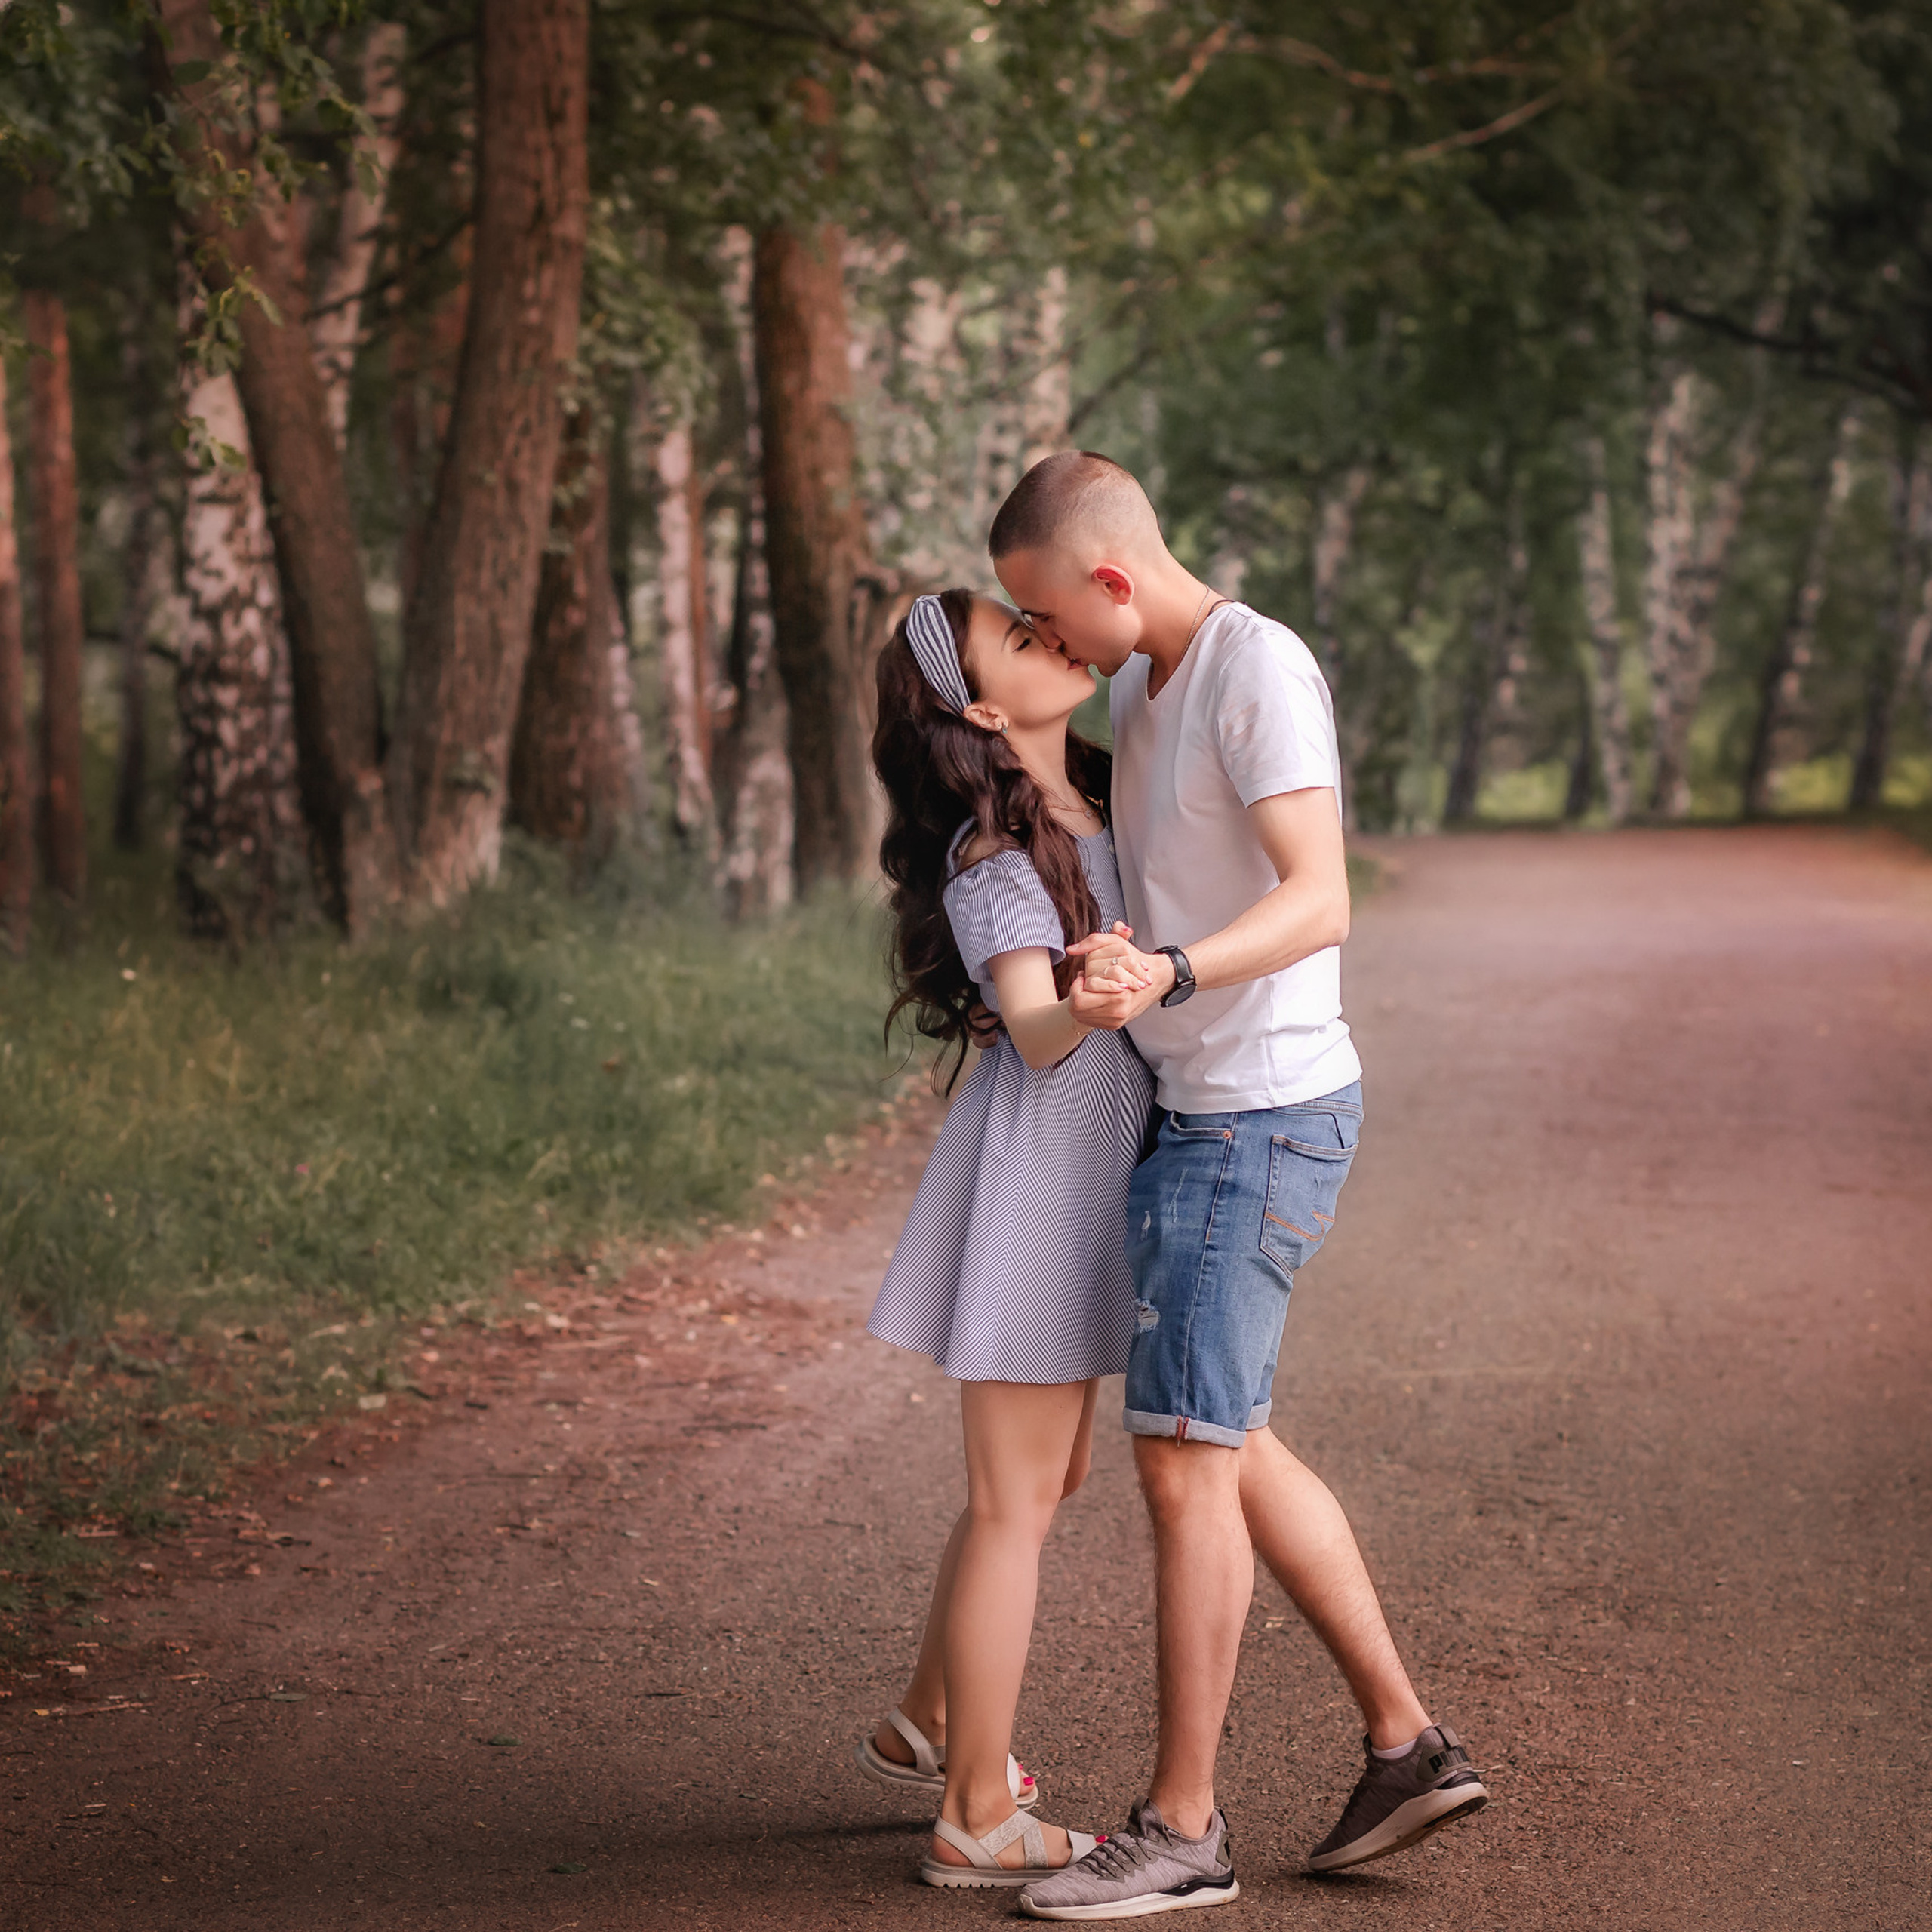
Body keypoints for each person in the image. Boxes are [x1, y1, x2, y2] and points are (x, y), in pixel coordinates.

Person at [988, 452, 1488, 1920]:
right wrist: (1115, 960)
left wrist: (1177, 969)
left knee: (1181, 1458)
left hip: (1254, 1117)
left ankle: (1182, 1825)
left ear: (1111, 577)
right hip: (1195, 1103)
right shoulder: (1142, 688)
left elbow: (1317, 893)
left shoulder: (1255, 667)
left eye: (1048, 616)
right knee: (1229, 1433)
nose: (1053, 649)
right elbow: (1166, 877)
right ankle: (1403, 1744)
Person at [855, 587, 1159, 1891]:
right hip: (1043, 1179)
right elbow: (1035, 1032)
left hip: (1086, 1179)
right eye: (1017, 642)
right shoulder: (995, 856)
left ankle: (929, 1716)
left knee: (1045, 1486)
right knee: (1014, 1505)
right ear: (982, 709)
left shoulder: (1093, 798)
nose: (1049, 641)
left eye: (1042, 622)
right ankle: (977, 1808)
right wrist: (1095, 993)